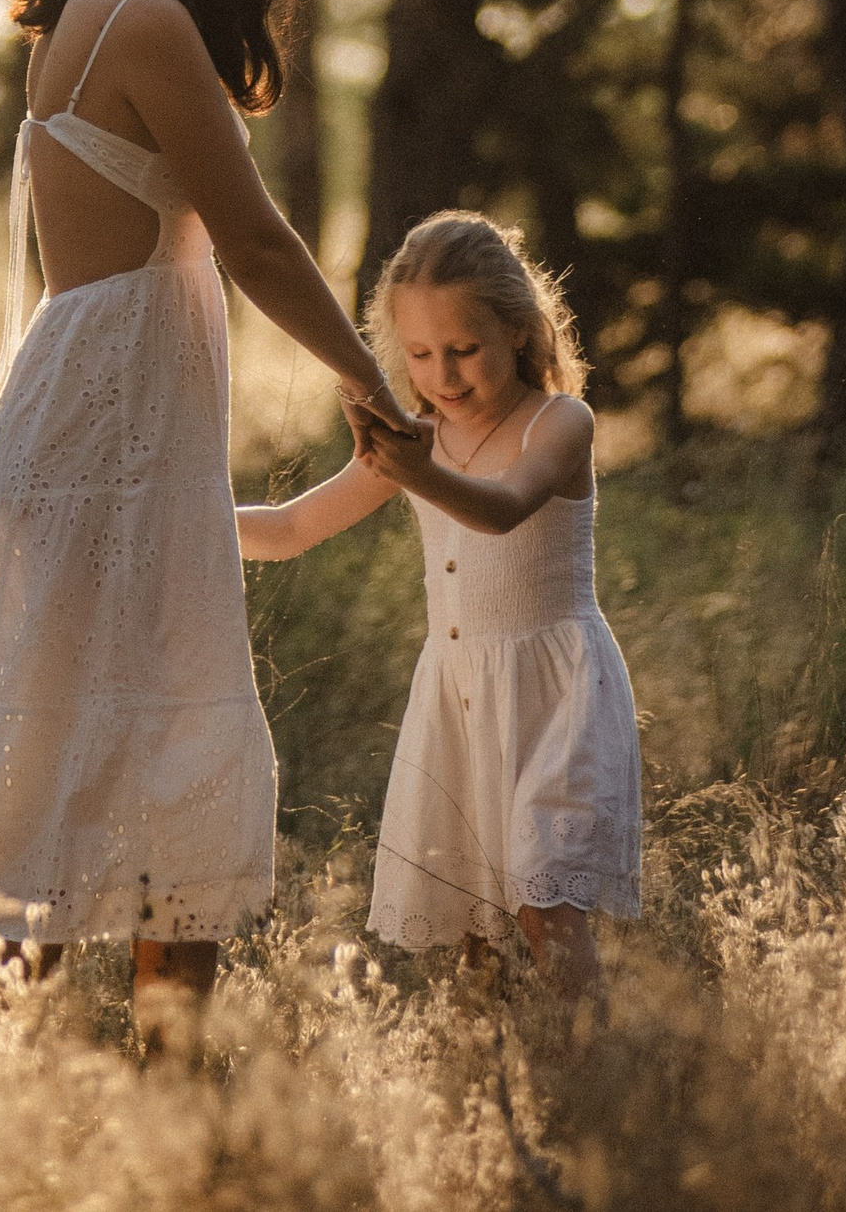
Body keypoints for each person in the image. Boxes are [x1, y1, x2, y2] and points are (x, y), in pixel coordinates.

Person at [0, 0, 420, 1051]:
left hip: (94, 413)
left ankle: (58, 1082)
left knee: (77, 748)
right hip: (109, 430)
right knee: (157, 745)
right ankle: (117, 1081)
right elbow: (256, 243)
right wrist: (369, 379)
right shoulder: (146, 20)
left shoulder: (83, 9)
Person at [235, 209, 641, 992]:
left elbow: (503, 507)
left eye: (463, 349)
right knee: (470, 930)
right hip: (456, 696)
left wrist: (411, 468)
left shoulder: (559, 423)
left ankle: (597, 1075)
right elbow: (289, 527)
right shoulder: (418, 437)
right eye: (419, 354)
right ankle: (485, 1092)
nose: (443, 375)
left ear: (518, 330)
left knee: (541, 900)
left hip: (552, 696)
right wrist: (175, 521)